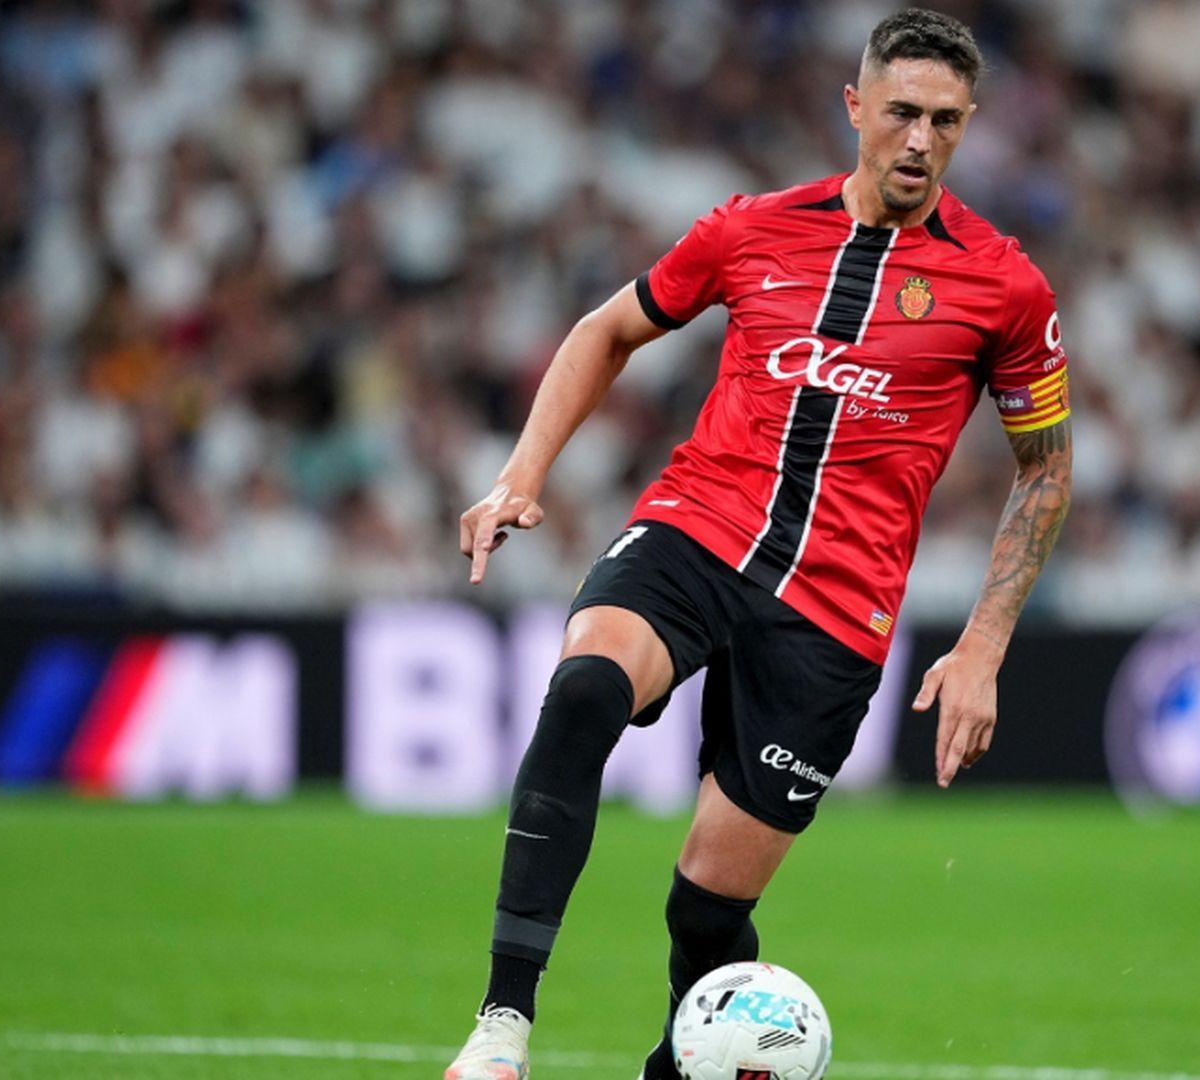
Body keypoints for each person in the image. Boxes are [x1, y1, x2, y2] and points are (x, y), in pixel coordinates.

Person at [443, 9, 1073, 1079]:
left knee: (705, 910)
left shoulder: (1005, 287)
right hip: (699, 531)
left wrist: (983, 645)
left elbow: (1045, 468)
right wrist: (522, 473)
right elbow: (607, 329)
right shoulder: (751, 229)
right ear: (855, 108)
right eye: (903, 113)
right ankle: (501, 1029)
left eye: (947, 121)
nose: (921, 140)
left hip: (835, 609)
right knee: (587, 687)